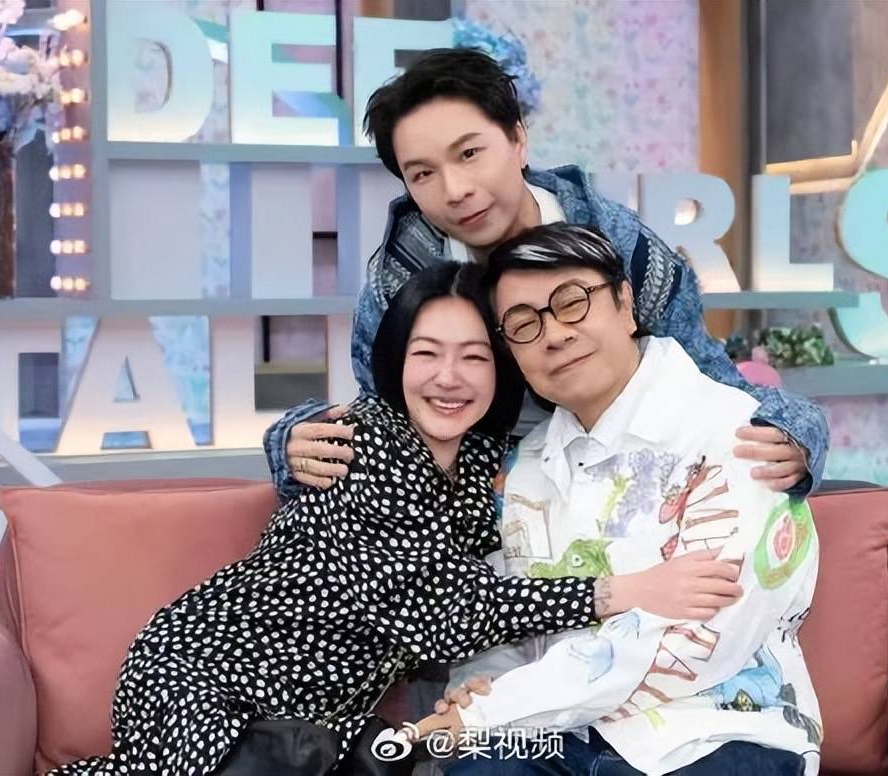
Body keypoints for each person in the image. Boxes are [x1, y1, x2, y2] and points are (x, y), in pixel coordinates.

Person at [48, 262, 746, 776]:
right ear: (395, 361)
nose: (449, 377)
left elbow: (493, 592)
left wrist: (488, 682)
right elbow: (440, 613)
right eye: (426, 354)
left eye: (474, 357)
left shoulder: (487, 462)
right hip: (204, 678)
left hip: (308, 720)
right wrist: (624, 590)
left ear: (501, 369)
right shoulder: (365, 441)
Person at [265, 48, 829, 505]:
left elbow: (711, 382)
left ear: (517, 139)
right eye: (423, 174)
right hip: (474, 511)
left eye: (469, 153)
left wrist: (797, 433)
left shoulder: (620, 246)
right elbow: (383, 417)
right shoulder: (401, 279)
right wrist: (292, 443)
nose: (455, 190)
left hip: (622, 486)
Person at [416, 224, 821, 776]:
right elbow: (508, 617)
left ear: (625, 304)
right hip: (557, 733)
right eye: (524, 324)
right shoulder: (521, 470)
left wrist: (497, 708)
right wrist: (477, 689)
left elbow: (696, 641)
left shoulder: (739, 433)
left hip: (716, 727)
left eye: (571, 303)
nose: (554, 335)